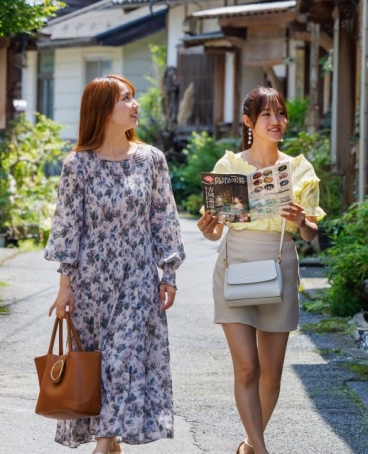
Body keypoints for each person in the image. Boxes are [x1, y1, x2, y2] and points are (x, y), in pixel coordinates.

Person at [45, 75, 186, 454]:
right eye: (126, 99)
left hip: (138, 278)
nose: (135, 105)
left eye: (133, 98)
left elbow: (163, 218)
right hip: (91, 282)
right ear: (104, 110)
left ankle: (103, 444)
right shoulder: (78, 165)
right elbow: (67, 225)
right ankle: (111, 444)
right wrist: (65, 286)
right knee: (98, 366)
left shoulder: (151, 160)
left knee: (123, 359)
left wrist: (168, 273)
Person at [197, 86, 324, 454]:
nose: (276, 121)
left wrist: (302, 222)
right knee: (248, 368)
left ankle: (250, 446)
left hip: (280, 266)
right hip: (235, 264)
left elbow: (312, 232)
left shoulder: (299, 169)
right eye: (267, 115)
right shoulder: (229, 168)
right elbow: (216, 229)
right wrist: (208, 230)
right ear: (248, 122)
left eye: (281, 113)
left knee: (272, 374)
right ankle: (261, 448)